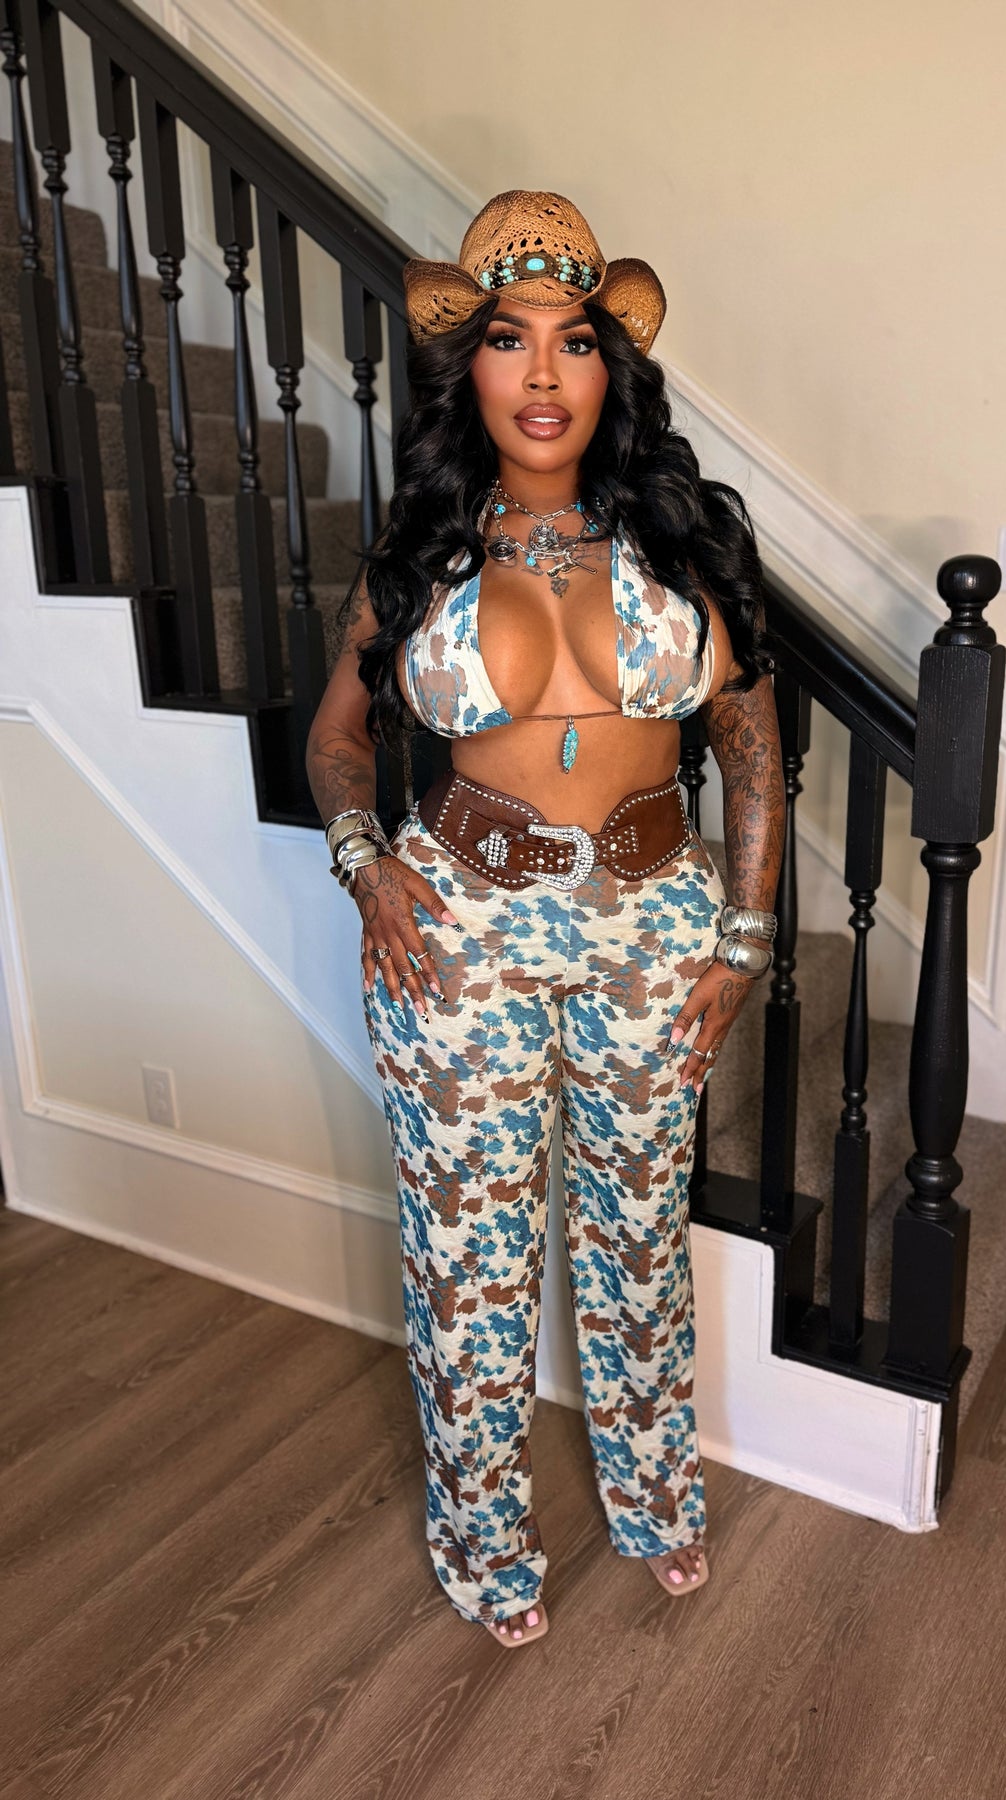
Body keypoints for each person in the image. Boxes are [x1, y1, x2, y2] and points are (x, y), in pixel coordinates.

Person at [305, 191, 785, 1650]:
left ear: (607, 370)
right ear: (472, 369)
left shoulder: (681, 538)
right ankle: (484, 1544)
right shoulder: (421, 550)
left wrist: (745, 939)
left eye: (573, 342)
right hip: (457, 931)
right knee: (472, 1258)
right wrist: (366, 864)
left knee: (639, 1234)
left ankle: (653, 1498)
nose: (541, 373)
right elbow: (337, 737)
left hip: (655, 923)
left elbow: (753, 751)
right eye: (508, 340)